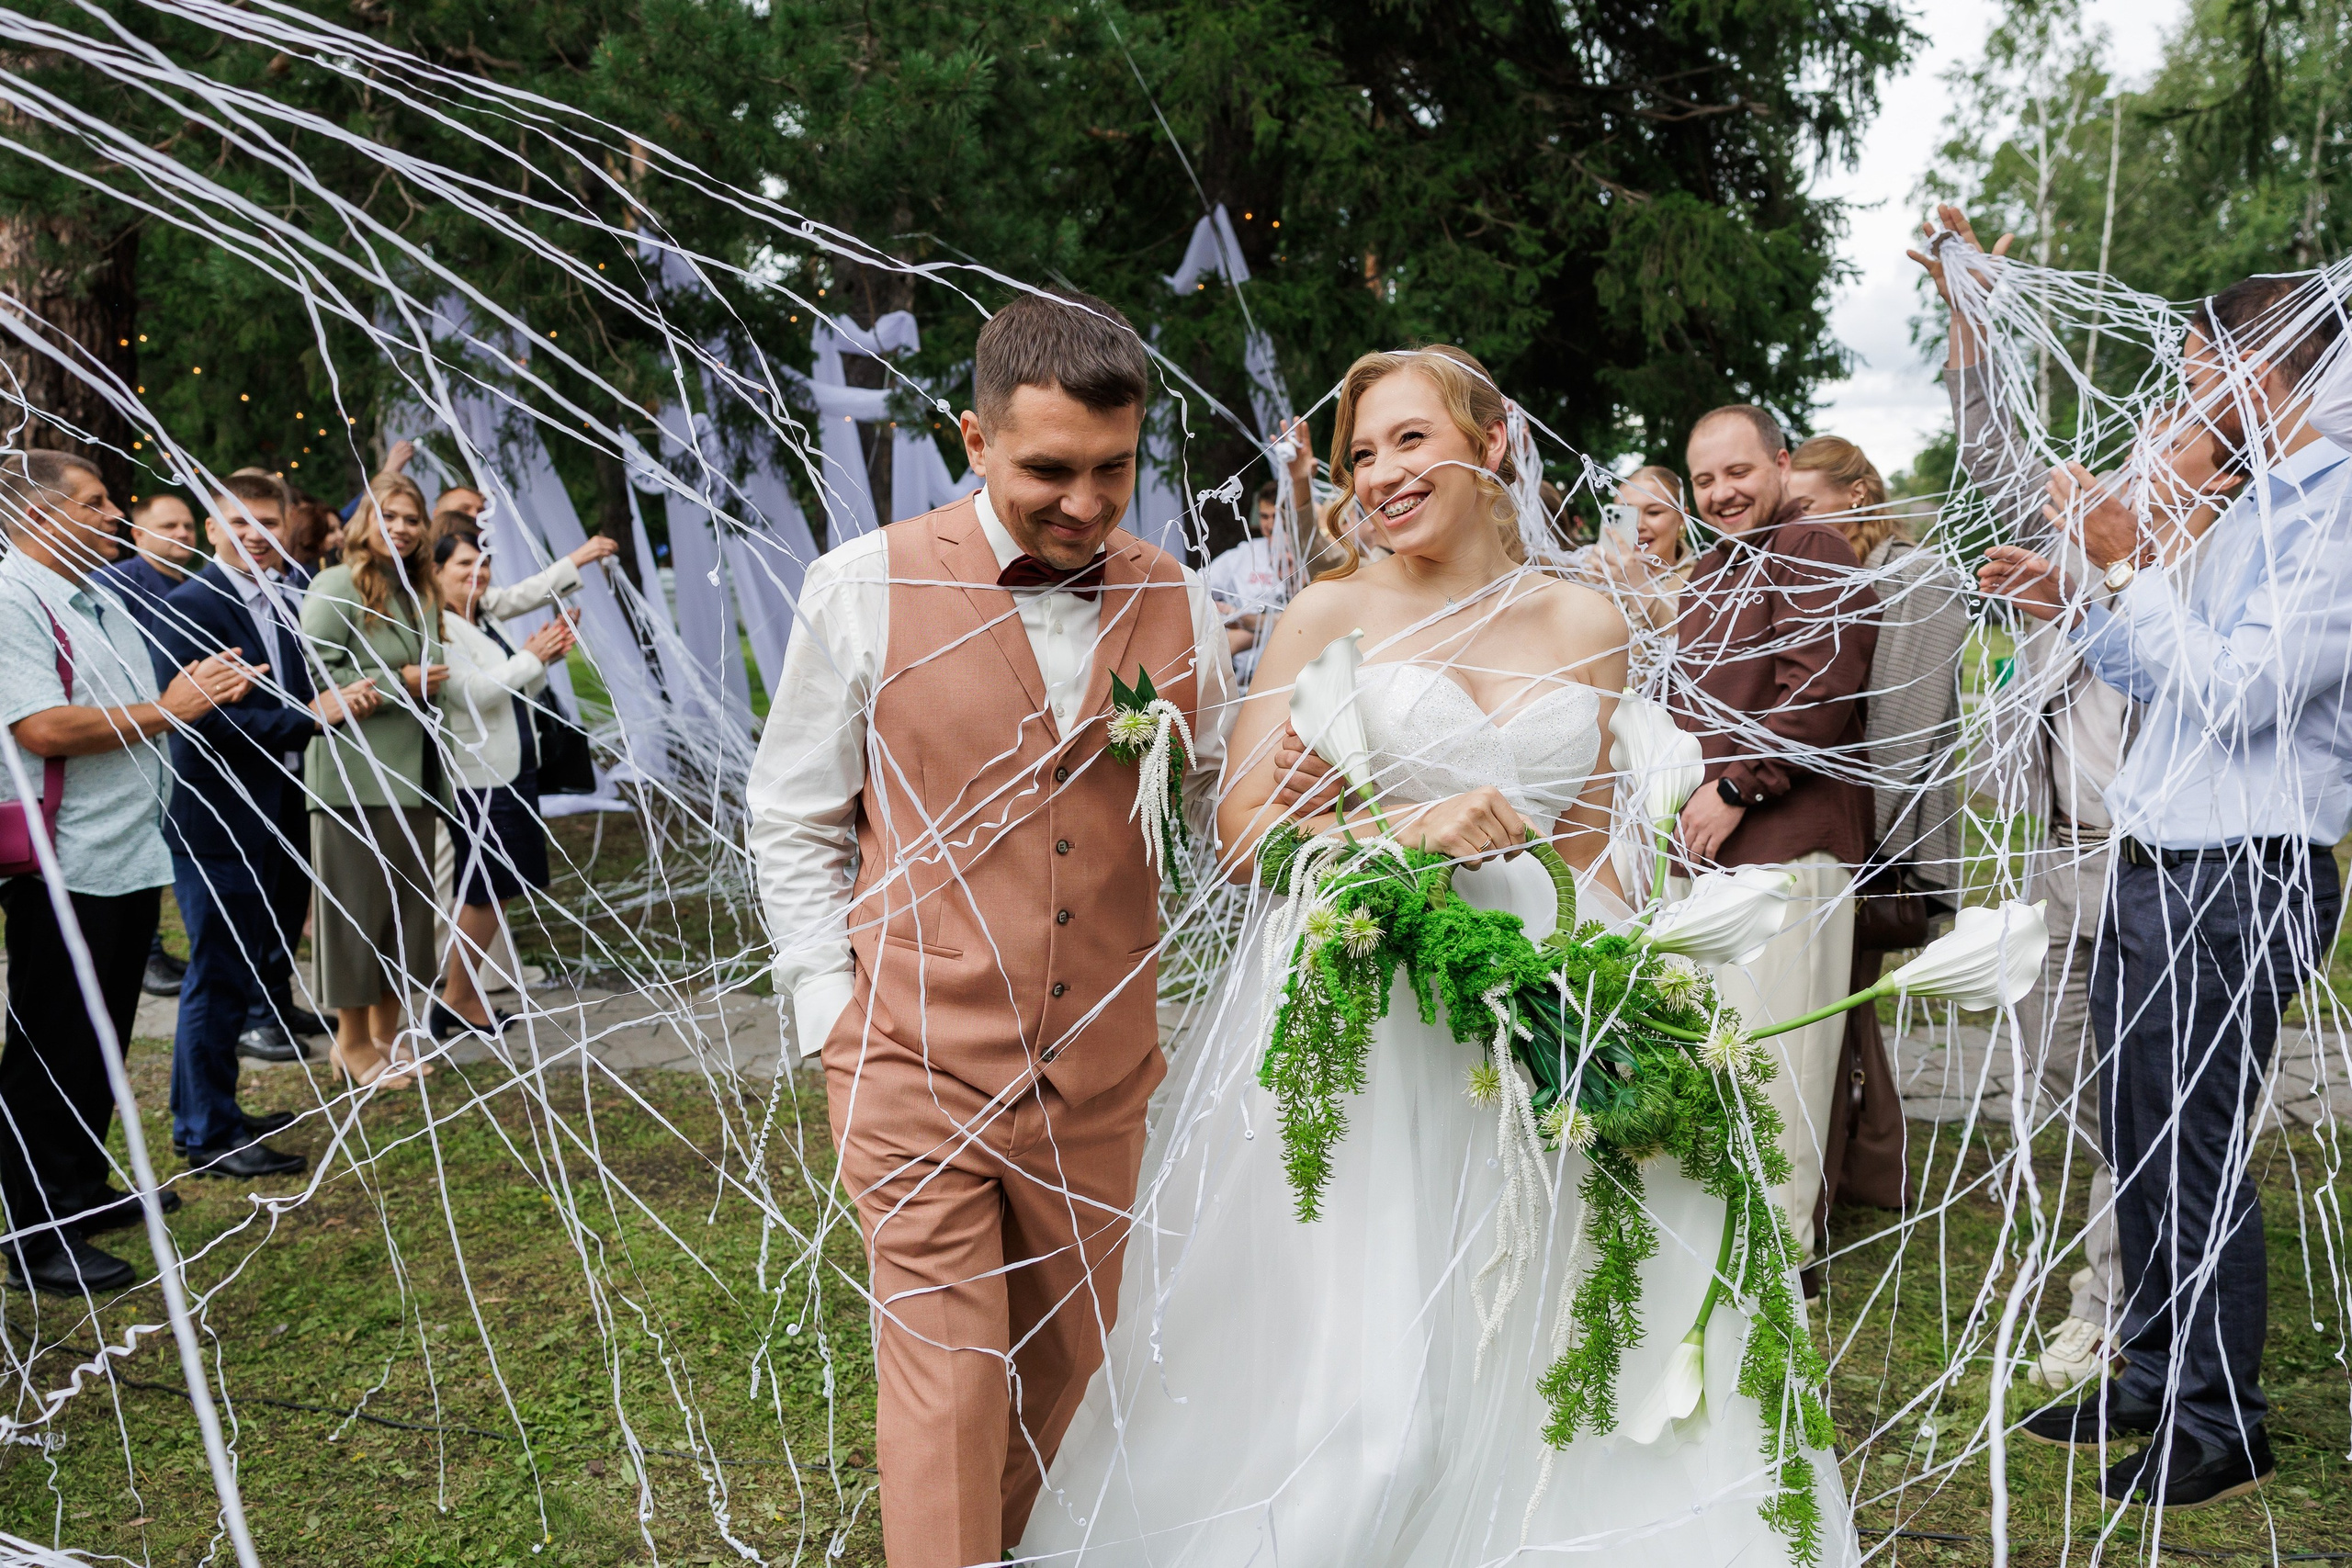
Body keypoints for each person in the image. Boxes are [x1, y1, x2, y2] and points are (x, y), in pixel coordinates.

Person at [1025, 348, 1858, 1565]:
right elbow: (1245, 832)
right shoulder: (1328, 612)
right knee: (1374, 1375)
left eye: (1409, 440)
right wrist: (1404, 827)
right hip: (1374, 1013)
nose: (1381, 475)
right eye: (1363, 454)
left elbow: (1592, 848)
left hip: (1547, 1014)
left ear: (1493, 437)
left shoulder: (1585, 617)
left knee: (1568, 1328)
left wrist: (1616, 989)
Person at [746, 288, 1235, 1566]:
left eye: (1114, 470)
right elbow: (792, 813)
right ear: (973, 439)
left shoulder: (1178, 596)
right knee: (950, 1372)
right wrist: (828, 1011)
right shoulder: (860, 585)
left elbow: (1222, 798)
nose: (1084, 503)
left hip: (1102, 1066)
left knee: (1084, 1362)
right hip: (910, 1055)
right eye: (1048, 470)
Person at [1981, 274, 2348, 1510]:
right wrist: (2081, 594)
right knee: (2135, 1134)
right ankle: (2147, 1368)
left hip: (2243, 870)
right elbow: (2166, 678)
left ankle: (2218, 1416)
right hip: (2158, 855)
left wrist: (2129, 558)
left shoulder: (2338, 509)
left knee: (2192, 1144)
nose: (2187, 394)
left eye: (2201, 372)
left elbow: (2246, 692)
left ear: (2269, 368)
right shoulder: (2252, 515)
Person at [1915, 205, 2245, 1388]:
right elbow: (1997, 458)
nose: (2146, 442)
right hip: (2056, 854)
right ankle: (2124, 1282)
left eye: (2173, 431)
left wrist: (2102, 580)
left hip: (2161, 859)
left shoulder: (2222, 562)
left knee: (2140, 1091)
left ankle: (2108, 1306)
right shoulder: (2093, 547)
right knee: (2067, 1078)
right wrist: (1971, 316)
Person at [0, 450, 249, 1294]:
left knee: (98, 1036)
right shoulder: (11, 598)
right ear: (40, 517)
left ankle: (80, 1186)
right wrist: (170, 709)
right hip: (62, 860)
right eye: (98, 502)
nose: (116, 515)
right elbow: (42, 726)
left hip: (125, 847)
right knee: (51, 1043)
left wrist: (192, 690)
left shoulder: (96, 592)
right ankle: (36, 1231)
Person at [1669, 404, 1879, 1263]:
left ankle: (1777, 1270)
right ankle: (1715, 1254)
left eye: (1739, 472)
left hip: (1788, 853)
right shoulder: (1712, 570)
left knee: (1778, 1073)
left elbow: (1819, 689)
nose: (1721, 492)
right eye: (1705, 479)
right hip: (1716, 860)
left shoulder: (1813, 552)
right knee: (1715, 1064)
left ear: (1781, 465)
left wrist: (1732, 785)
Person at [155, 475, 382, 1178]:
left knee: (257, 963)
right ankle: (207, 1134)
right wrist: (315, 716)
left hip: (280, 808)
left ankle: (209, 1111)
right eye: (240, 521)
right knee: (218, 975)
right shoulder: (190, 604)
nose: (255, 534)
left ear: (288, 527)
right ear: (213, 526)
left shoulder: (286, 598)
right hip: (218, 817)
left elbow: (298, 691)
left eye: (267, 522)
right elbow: (207, 722)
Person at [1785, 435, 1971, 1253]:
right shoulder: (1835, 577)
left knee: (1840, 1010)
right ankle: (1866, 1169)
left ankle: (1847, 1177)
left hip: (1881, 842)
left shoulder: (1918, 580)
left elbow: (1904, 731)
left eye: (1806, 508)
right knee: (1841, 1017)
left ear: (1858, 495)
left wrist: (1860, 851)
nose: (1797, 525)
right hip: (1843, 835)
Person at [301, 473, 449, 1089]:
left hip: (413, 775)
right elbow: (314, 668)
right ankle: (352, 1043)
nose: (403, 526)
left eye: (413, 517)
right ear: (366, 519)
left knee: (406, 916)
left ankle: (389, 1039)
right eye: (390, 513)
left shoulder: (419, 591)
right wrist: (398, 684)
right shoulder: (336, 584)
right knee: (357, 916)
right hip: (353, 777)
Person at [427, 530, 575, 1036]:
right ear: (436, 571)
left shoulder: (480, 620)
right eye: (464, 564)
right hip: (479, 777)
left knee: (500, 886)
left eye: (484, 564)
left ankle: (462, 998)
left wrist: (545, 656)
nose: (478, 573)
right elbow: (471, 695)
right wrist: (531, 655)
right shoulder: (439, 626)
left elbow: (515, 689)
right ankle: (454, 997)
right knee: (485, 887)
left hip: (511, 767)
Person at [96, 491, 204, 1000]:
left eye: (188, 525)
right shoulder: (118, 582)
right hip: (137, 726)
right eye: (169, 526)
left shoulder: (192, 585)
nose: (182, 534)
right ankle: (148, 955)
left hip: (179, 727)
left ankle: (152, 950)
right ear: (138, 535)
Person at [1203, 480, 1293, 686]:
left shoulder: (1306, 554)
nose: (1270, 525)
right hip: (1241, 673)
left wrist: (1240, 618)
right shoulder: (1243, 554)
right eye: (1264, 516)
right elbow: (1198, 584)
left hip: (1286, 668)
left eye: (1277, 516)